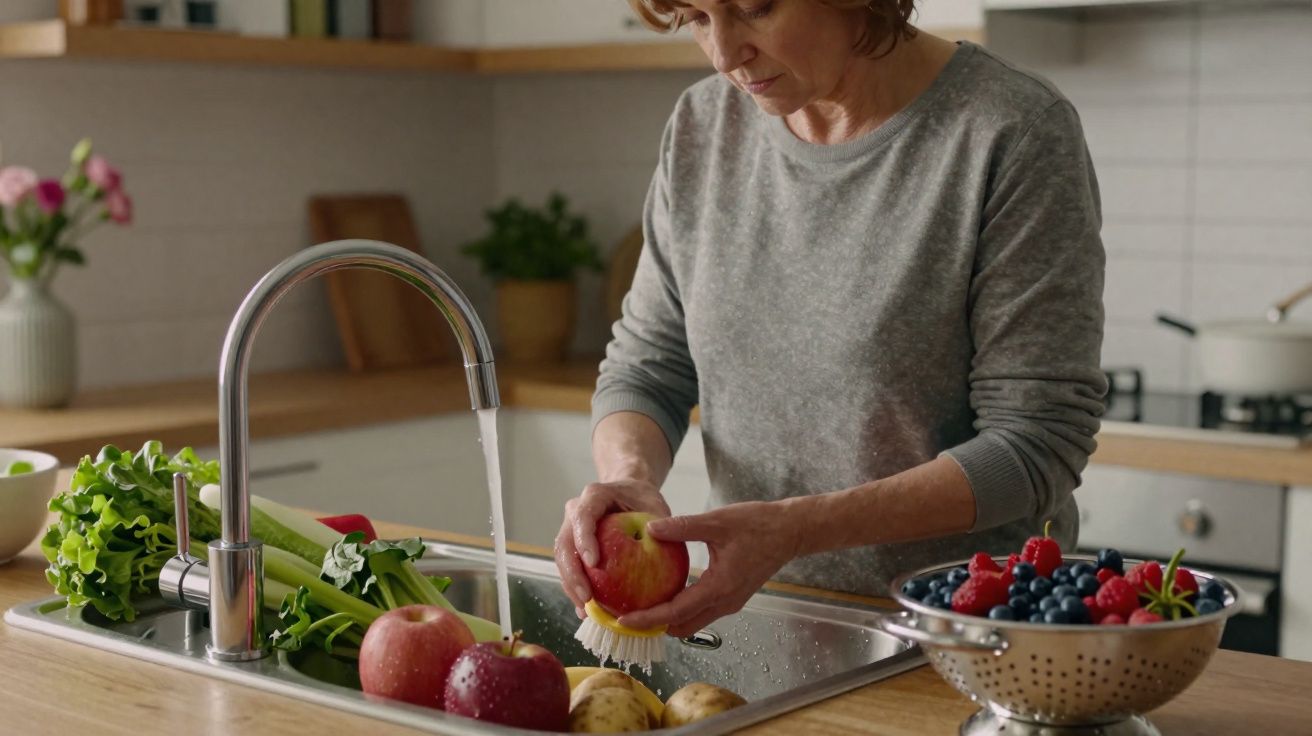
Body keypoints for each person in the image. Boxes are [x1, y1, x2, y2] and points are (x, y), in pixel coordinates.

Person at [554, 0, 1107, 639]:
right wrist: (627, 477)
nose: (725, 54)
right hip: (756, 626)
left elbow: (1035, 445)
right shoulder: (703, 125)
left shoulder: (1011, 128)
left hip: (963, 638)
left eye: (753, 8)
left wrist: (798, 529)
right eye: (698, 19)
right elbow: (648, 367)